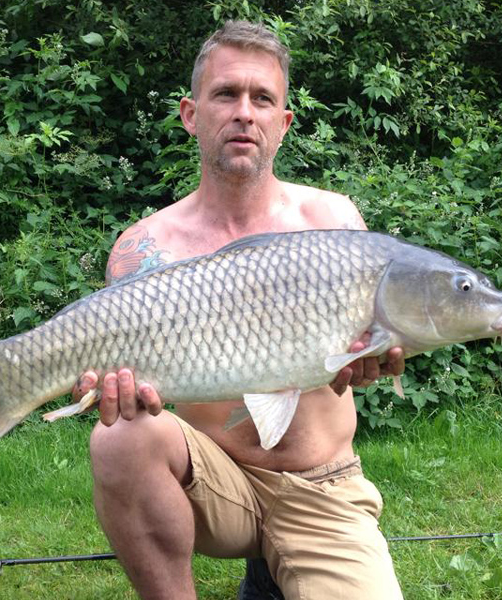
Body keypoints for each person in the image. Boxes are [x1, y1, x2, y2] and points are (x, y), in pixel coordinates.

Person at [74, 21, 406, 600]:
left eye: (263, 99)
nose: (244, 113)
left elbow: (364, 348)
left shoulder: (333, 222)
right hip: (212, 481)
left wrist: (377, 357)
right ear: (190, 113)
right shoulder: (143, 249)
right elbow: (130, 393)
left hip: (322, 486)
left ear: (283, 123)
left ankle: (276, 574)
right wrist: (115, 392)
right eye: (226, 94)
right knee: (120, 436)